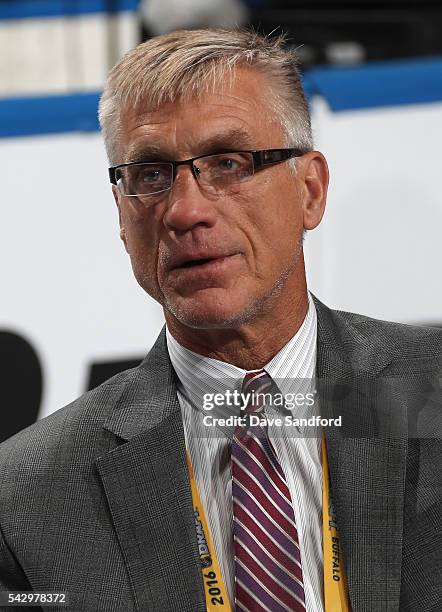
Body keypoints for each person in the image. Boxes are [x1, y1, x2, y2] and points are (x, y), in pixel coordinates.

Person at [0, 29, 441, 612]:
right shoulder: (27, 496)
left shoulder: (427, 390)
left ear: (310, 189)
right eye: (151, 174)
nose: (185, 210)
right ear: (120, 213)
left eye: (229, 163)